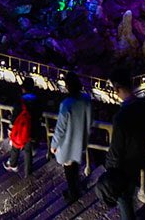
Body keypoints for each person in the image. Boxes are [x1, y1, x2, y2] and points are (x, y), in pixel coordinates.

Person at [103, 69, 145, 220]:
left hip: (125, 165)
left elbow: (116, 148)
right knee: (128, 193)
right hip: (142, 159)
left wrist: (109, 168)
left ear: (117, 89)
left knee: (124, 198)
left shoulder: (121, 117)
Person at [51, 71, 93, 203]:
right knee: (75, 166)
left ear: (68, 86)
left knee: (68, 169)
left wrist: (54, 145)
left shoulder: (66, 104)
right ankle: (76, 187)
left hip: (67, 143)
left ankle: (73, 193)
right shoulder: (86, 99)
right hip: (80, 140)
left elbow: (60, 129)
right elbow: (89, 119)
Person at [4, 77, 41, 176]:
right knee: (28, 151)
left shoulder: (20, 101)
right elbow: (39, 115)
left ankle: (13, 164)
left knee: (15, 146)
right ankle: (28, 171)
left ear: (23, 88)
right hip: (31, 130)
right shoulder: (37, 101)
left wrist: (10, 129)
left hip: (21, 130)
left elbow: (14, 117)